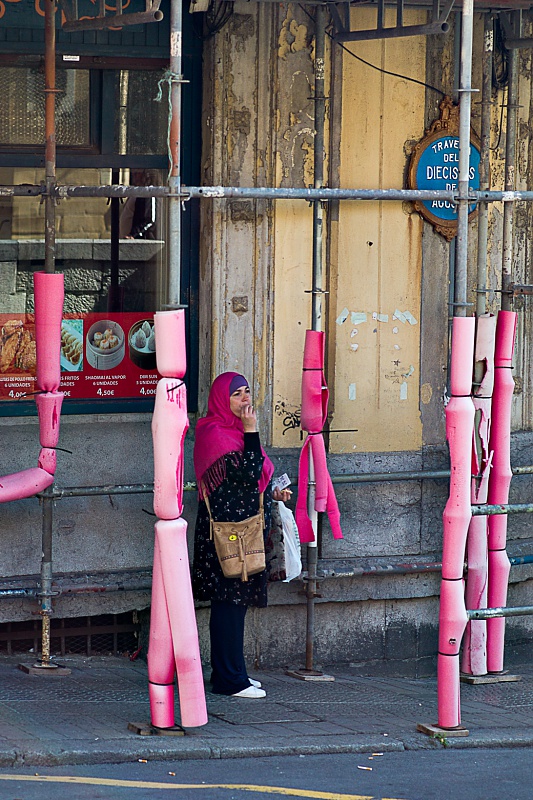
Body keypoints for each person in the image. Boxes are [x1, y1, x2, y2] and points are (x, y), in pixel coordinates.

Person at [192, 371, 291, 699]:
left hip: (244, 530)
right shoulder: (215, 433)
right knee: (228, 605)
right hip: (227, 535)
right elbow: (248, 474)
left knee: (236, 606)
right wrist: (251, 431)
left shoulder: (235, 431)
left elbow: (256, 476)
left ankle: (233, 672)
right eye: (236, 394)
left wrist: (273, 492)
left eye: (247, 391)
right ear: (222, 399)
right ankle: (230, 681)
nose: (245, 398)